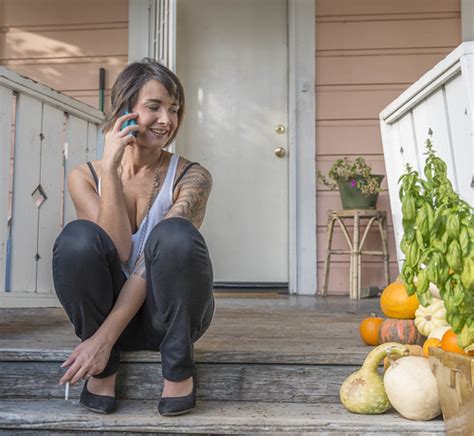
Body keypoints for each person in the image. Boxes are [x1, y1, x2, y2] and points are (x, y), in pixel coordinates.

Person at [52, 58, 215, 416]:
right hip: (105, 314)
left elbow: (142, 267)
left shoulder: (192, 177)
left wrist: (103, 339)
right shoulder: (84, 176)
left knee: (175, 235)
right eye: (154, 107)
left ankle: (177, 371)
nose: (167, 120)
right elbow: (119, 248)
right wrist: (110, 168)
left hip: (170, 320)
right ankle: (104, 370)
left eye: (174, 109)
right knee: (77, 239)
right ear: (124, 111)